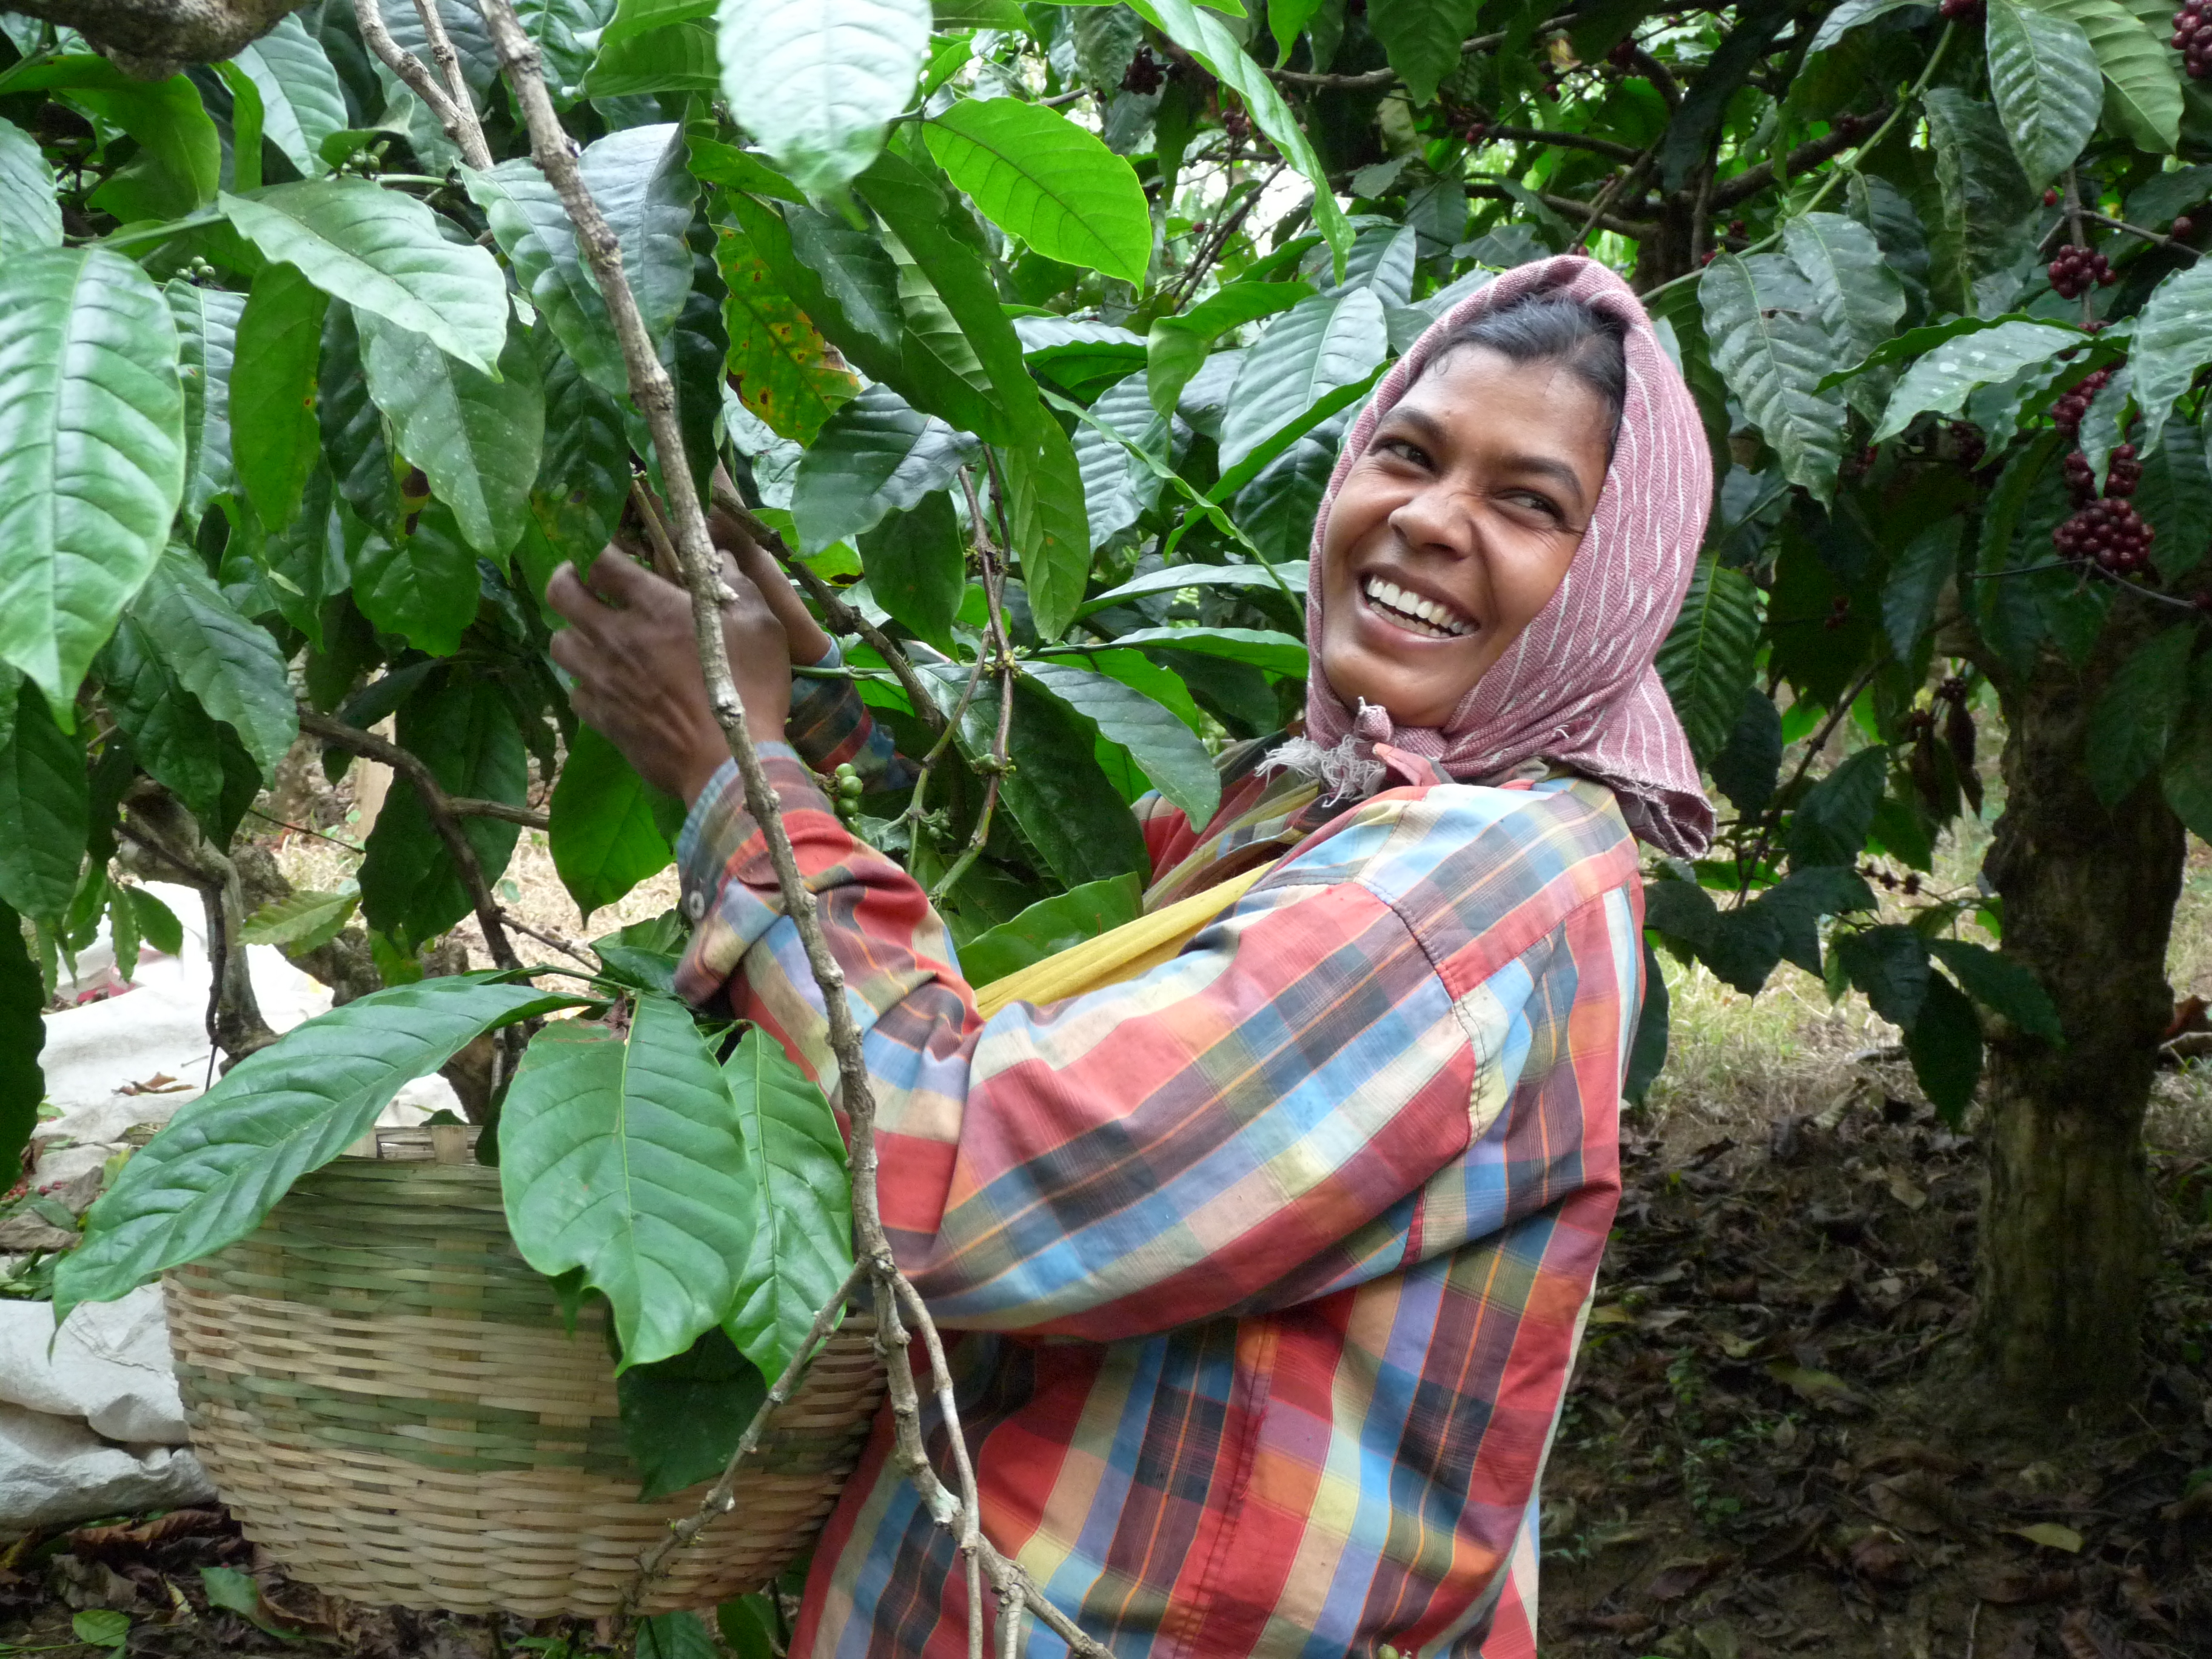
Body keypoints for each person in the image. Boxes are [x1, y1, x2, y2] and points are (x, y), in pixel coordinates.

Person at [546, 254, 1714, 1658]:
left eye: (1529, 504)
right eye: (1408, 455)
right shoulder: (1343, 799)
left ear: (1615, 585)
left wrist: (731, 771)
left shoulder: (1466, 887)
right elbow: (1062, 945)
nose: (1429, 521)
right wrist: (829, 715)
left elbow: (954, 1166)